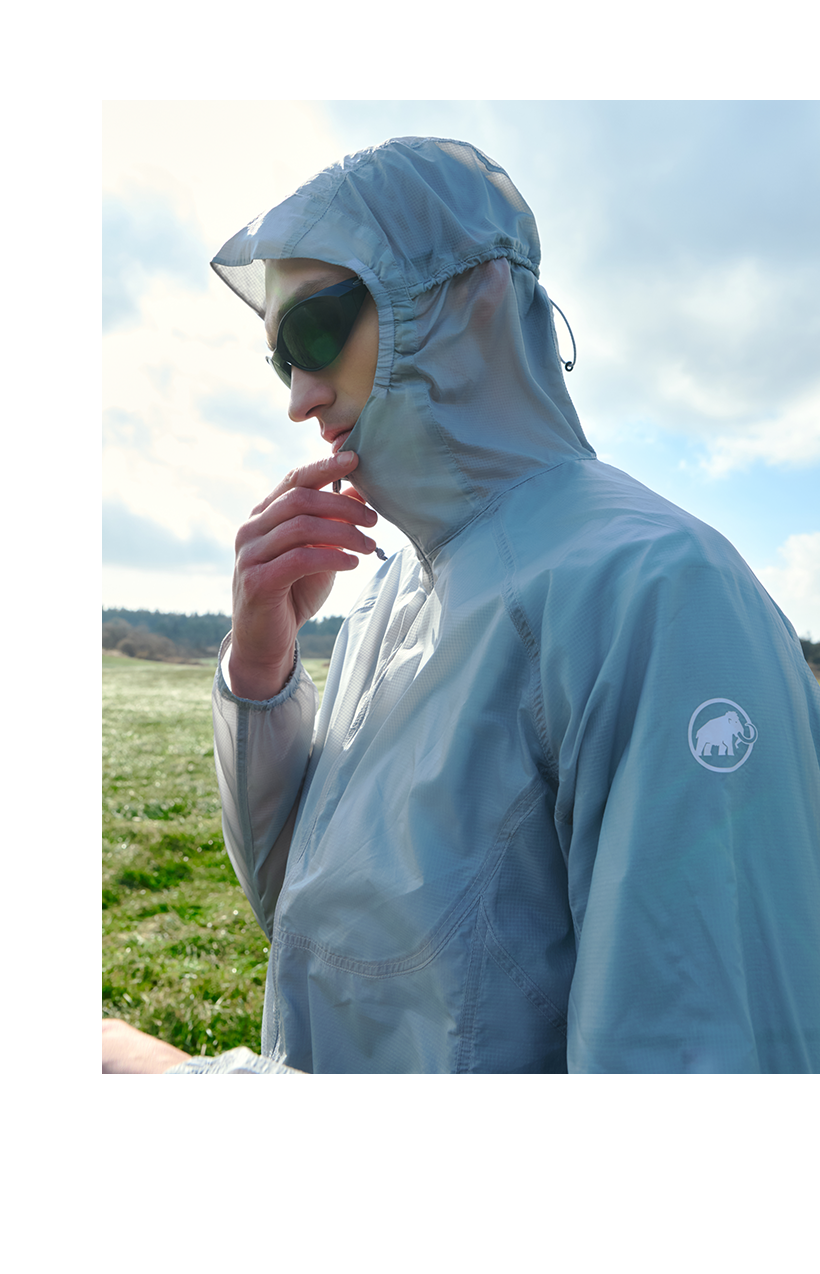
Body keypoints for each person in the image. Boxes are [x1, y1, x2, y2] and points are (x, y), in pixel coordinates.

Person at [103, 136, 820, 1074]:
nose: (299, 398)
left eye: (316, 332)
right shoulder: (389, 600)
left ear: (472, 298)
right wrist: (261, 665)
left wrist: (167, 1080)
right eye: (280, 362)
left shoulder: (661, 592)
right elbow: (308, 924)